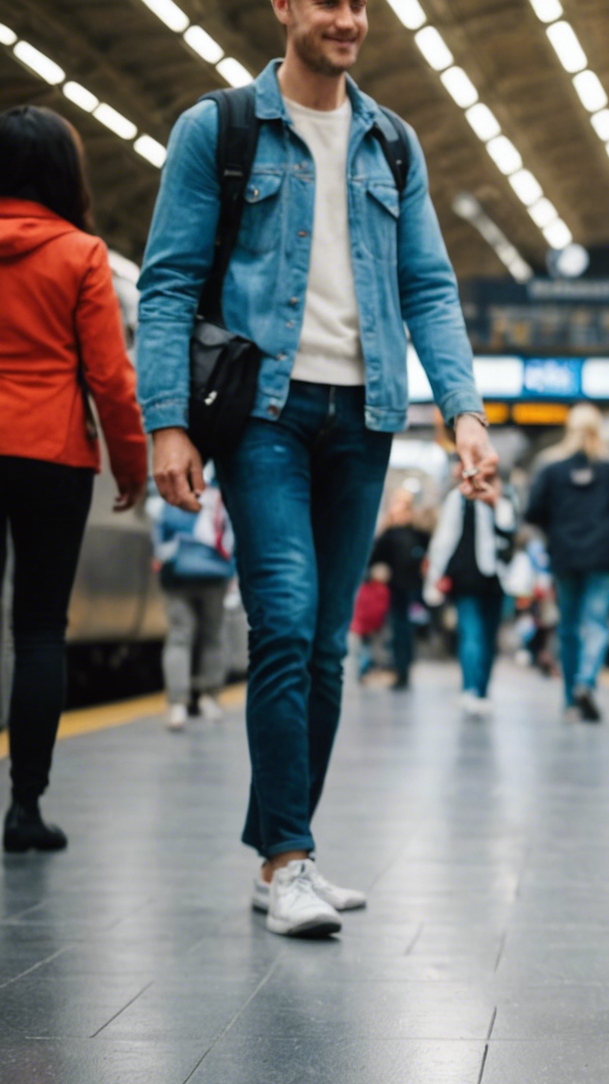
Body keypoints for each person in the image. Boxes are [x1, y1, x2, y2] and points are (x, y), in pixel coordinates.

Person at [135, 0, 499, 936]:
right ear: (284, 7)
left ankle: (280, 845)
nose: (348, 19)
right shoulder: (216, 131)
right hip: (262, 411)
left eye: (360, 4)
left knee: (329, 645)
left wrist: (464, 412)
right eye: (328, 1)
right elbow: (170, 281)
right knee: (287, 621)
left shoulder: (393, 143)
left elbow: (428, 286)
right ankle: (289, 861)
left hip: (366, 415)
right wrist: (166, 421)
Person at [0, 106, 149, 852]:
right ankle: (24, 809)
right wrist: (133, 465)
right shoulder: (80, 253)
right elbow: (110, 378)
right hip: (50, 455)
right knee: (37, 632)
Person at [524, 403, 609, 723]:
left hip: (564, 555)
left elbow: (533, 511)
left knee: (569, 626)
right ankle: (587, 682)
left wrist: (557, 529)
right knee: (596, 623)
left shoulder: (551, 468)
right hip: (602, 556)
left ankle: (571, 696)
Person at [150, 481, 236, 730]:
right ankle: (210, 699)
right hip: (215, 572)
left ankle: (177, 705)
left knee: (179, 637)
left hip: (178, 571)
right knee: (213, 636)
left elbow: (160, 529)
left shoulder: (174, 484)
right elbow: (231, 534)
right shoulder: (220, 488)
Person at [427, 484, 519, 715]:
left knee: (480, 634)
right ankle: (475, 690)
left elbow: (444, 540)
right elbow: (445, 540)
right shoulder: (466, 497)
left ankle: (476, 690)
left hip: (489, 580)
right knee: (477, 634)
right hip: (476, 578)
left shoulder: (494, 496)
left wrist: (435, 576)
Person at [367, 489, 428, 689]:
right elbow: (374, 557)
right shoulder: (392, 533)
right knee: (401, 630)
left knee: (405, 630)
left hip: (413, 589)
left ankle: (404, 669)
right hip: (399, 590)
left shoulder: (416, 531)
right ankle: (401, 669)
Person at [350, 563, 391, 681]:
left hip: (362, 624)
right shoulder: (382, 590)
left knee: (364, 650)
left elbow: (359, 606)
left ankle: (363, 670)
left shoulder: (364, 588)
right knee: (371, 650)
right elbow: (380, 610)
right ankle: (365, 670)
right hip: (372, 626)